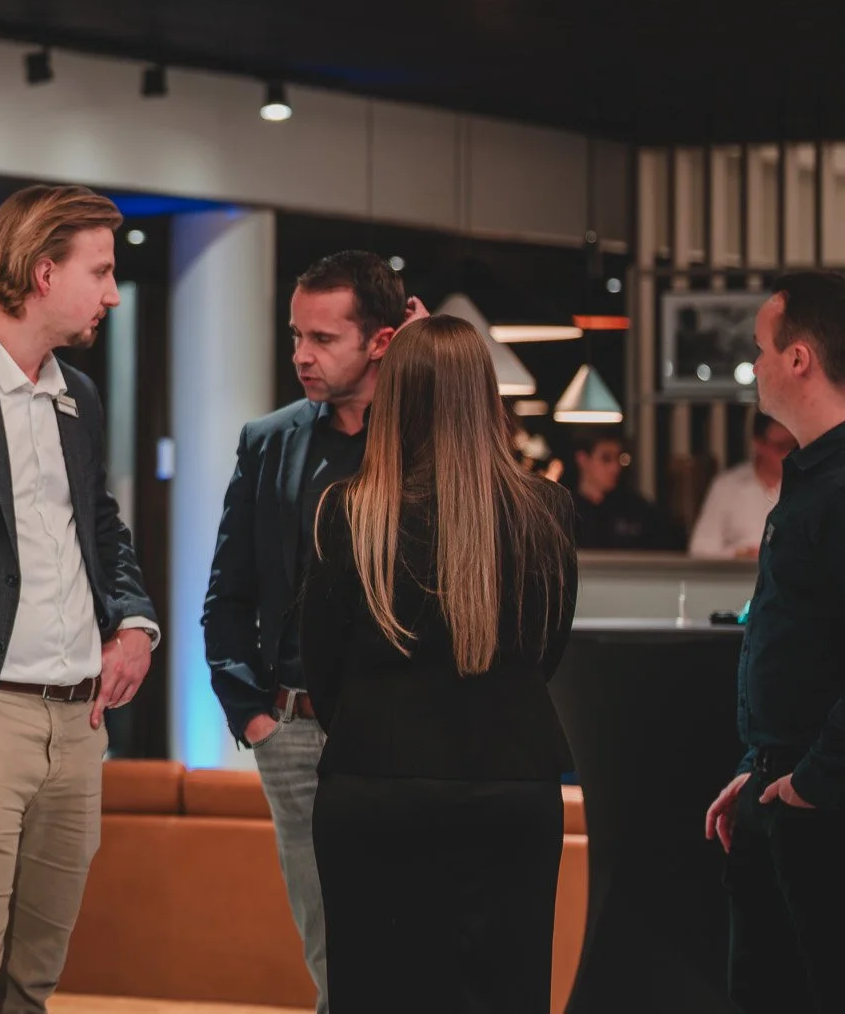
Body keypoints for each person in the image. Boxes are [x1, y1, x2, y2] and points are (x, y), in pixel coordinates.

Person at [0, 185, 158, 1014]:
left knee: (35, 977)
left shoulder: (76, 394)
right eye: (102, 271)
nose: (113, 293)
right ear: (42, 272)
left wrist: (135, 622)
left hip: (80, 723)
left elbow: (102, 524)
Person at [302, 314, 579, 1013]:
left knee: (376, 991)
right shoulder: (546, 511)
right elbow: (547, 648)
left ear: (393, 401)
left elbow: (322, 669)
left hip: (377, 784)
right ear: (487, 398)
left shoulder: (348, 513)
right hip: (511, 787)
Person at [201, 250, 418, 1013]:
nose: (301, 354)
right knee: (328, 940)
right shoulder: (270, 439)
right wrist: (253, 716)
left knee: (408, 933)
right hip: (291, 728)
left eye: (324, 338)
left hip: (398, 731)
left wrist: (428, 365)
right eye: (296, 334)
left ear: (381, 341)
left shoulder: (424, 440)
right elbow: (228, 593)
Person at [704, 272, 845, 1012]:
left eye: (760, 348)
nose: (752, 365)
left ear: (799, 358)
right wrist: (759, 767)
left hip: (822, 808)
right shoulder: (811, 475)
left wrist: (811, 778)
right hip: (781, 786)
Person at [689, 413, 796, 559]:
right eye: (781, 447)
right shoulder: (727, 487)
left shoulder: (809, 486)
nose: (790, 454)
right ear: (759, 444)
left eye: (794, 445)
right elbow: (699, 550)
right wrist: (739, 554)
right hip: (738, 578)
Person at [570, 428, 685, 550]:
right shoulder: (566, 511)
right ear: (582, 459)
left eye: (618, 458)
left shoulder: (639, 510)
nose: (615, 468)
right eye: (606, 459)